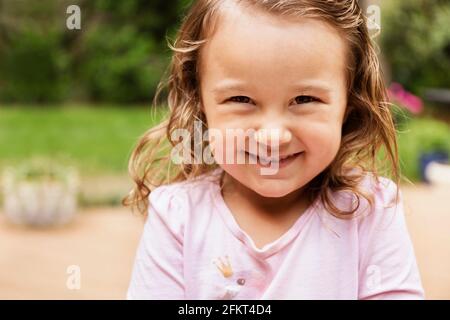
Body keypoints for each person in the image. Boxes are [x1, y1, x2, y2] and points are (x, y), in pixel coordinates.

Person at [123, 0, 424, 299]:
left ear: (349, 103)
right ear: (199, 100)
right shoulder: (178, 216)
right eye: (241, 99)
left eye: (305, 99)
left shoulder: (371, 210)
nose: (273, 136)